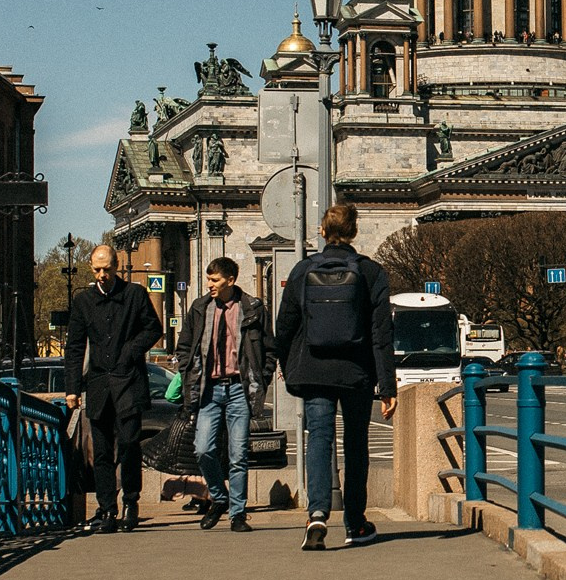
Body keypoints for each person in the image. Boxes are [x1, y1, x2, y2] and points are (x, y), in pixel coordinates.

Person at [276, 203, 396, 550]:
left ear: (322, 232)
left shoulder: (302, 271)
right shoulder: (372, 273)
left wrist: (288, 364)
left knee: (319, 438)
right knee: (356, 445)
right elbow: (381, 335)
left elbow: (284, 327)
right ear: (354, 232)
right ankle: (355, 523)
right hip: (355, 371)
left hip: (315, 369)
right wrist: (387, 386)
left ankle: (316, 513)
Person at [64, 243, 162, 532]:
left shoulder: (134, 295)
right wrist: (72, 388)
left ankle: (131, 502)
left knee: (130, 444)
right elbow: (74, 347)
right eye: (96, 269)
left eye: (107, 269)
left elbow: (153, 328)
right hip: (98, 385)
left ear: (117, 267)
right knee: (102, 451)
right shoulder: (84, 301)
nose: (101, 275)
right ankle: (107, 508)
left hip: (129, 381)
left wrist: (131, 350)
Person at [177, 256, 273, 531]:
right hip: (208, 390)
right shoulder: (200, 308)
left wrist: (263, 377)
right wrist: (188, 371)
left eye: (215, 280)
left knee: (238, 454)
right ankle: (220, 498)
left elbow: (269, 347)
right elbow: (185, 346)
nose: (210, 285)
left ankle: (237, 514)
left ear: (231, 280)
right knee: (203, 449)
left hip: (239, 390)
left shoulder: (252, 308)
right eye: (208, 279)